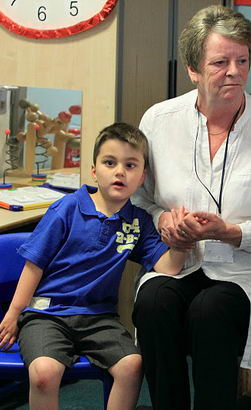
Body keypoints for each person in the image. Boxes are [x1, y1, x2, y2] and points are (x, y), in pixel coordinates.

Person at [0, 122, 187, 410]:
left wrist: (182, 244)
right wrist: (14, 313)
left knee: (132, 365)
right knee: (45, 374)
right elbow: (33, 265)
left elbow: (167, 267)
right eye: (109, 162)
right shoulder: (67, 208)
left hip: (99, 318)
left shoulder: (138, 221)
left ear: (142, 177)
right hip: (46, 314)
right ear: (94, 170)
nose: (119, 171)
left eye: (130, 165)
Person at [132, 5, 251, 410]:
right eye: (220, 62)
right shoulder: (159, 120)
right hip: (177, 262)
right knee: (153, 303)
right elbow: (138, 199)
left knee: (210, 309)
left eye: (243, 60)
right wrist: (163, 220)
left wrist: (230, 231)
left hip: (241, 273)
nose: (234, 71)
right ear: (193, 70)